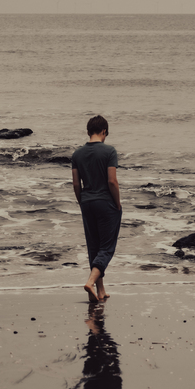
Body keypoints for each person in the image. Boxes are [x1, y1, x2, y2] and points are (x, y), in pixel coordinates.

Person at [72, 115, 122, 302]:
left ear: (88, 132)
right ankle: (91, 282)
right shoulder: (109, 151)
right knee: (107, 247)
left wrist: (81, 202)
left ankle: (101, 291)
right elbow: (112, 181)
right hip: (105, 202)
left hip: (87, 202)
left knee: (94, 246)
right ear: (104, 132)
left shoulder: (77, 154)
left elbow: (76, 184)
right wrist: (117, 203)